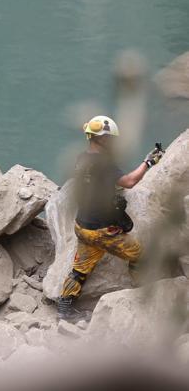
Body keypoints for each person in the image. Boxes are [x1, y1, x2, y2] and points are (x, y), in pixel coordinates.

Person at [57, 115, 163, 320]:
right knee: (140, 255)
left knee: (80, 269)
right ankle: (144, 295)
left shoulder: (82, 158)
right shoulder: (105, 164)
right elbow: (130, 182)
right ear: (103, 139)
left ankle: (64, 309)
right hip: (102, 231)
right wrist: (148, 162)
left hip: (82, 226)